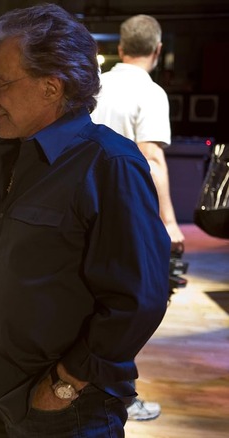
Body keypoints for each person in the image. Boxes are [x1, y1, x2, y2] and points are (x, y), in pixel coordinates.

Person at [0, 4, 170, 436]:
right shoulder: (20, 158)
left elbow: (139, 299)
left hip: (69, 411)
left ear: (50, 88)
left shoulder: (110, 163)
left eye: (0, 84)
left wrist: (63, 384)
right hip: (9, 398)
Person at [91, 14, 175, 422]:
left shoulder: (97, 82)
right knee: (132, 303)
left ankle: (91, 386)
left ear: (121, 48)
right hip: (126, 210)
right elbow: (152, 156)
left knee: (93, 300)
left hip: (86, 204)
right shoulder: (150, 92)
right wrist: (170, 221)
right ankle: (120, 396)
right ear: (157, 51)